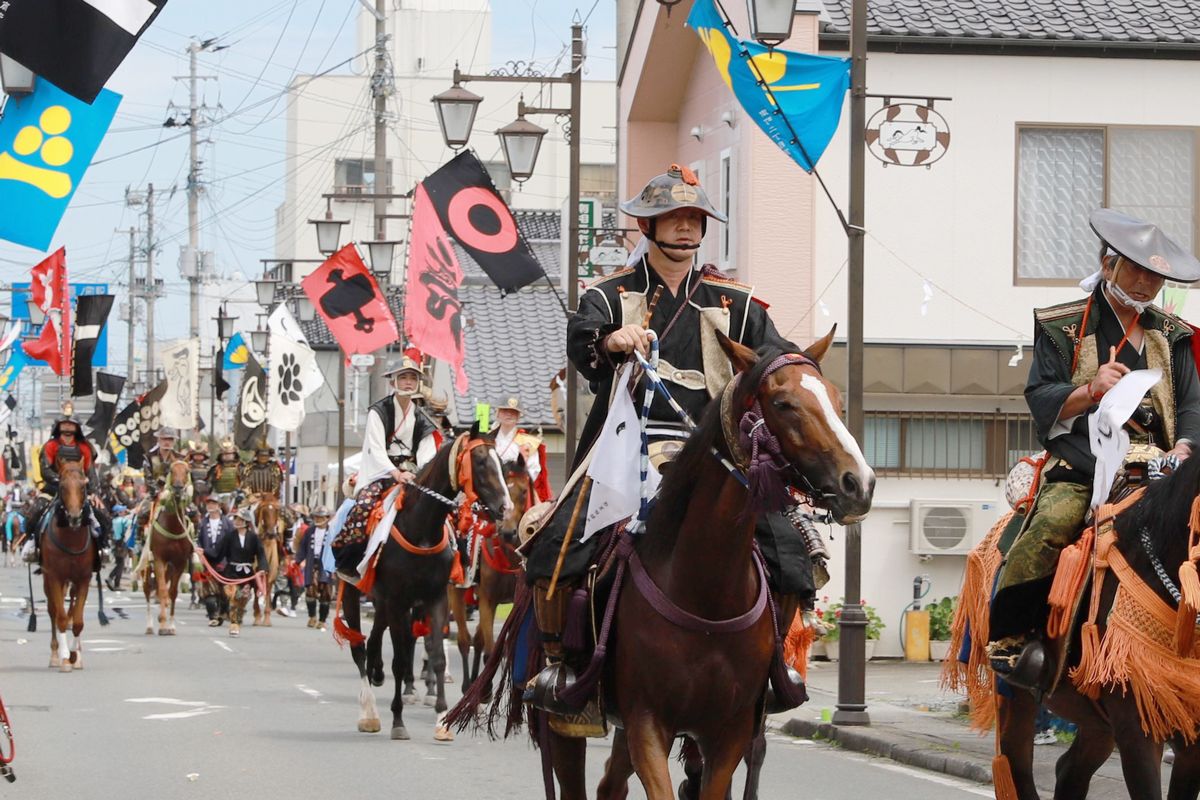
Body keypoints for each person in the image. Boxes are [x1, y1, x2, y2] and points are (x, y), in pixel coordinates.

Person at [521, 164, 813, 699]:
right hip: (625, 447)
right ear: (646, 226)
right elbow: (582, 337)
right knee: (557, 544)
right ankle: (559, 660)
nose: (685, 228)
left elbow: (773, 356)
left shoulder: (738, 302)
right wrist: (611, 341)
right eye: (671, 217)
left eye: (694, 218)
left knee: (793, 547)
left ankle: (774, 663)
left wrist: (798, 370)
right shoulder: (609, 295)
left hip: (717, 453)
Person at [987, 208, 1200, 689]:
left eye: (1157, 275)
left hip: (1162, 466)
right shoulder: (1063, 325)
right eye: (1139, 269)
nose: (1148, 283)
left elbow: (1191, 404)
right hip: (1084, 461)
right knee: (1050, 526)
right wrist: (1090, 391)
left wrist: (1186, 447)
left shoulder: (1173, 334)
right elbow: (1039, 393)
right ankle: (1013, 636)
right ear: (1109, 265)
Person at [331, 355, 437, 580]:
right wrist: (396, 472)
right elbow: (376, 449)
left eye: (412, 378)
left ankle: (452, 566)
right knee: (363, 508)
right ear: (393, 382)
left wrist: (418, 474)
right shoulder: (378, 411)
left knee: (444, 513)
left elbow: (428, 453)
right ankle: (350, 562)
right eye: (403, 377)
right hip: (383, 473)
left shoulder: (422, 417)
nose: (408, 382)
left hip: (413, 475)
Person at [23, 417, 103, 565]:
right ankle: (32, 545)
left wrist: (95, 493)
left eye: (71, 423)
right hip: (53, 488)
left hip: (79, 491)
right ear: (58, 426)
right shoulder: (51, 445)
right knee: (33, 513)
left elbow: (91, 472)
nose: (67, 426)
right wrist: (61, 481)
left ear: (76, 427)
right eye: (64, 423)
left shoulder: (85, 447)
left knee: (103, 515)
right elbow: (45, 469)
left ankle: (101, 548)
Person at [205, 508, 267, 637]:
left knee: (242, 598)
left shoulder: (254, 538)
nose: (236, 521)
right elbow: (218, 552)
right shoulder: (229, 536)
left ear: (246, 522)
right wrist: (203, 552)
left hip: (247, 574)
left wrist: (262, 567)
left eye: (240, 519)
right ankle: (234, 624)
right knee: (233, 596)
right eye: (236, 519)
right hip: (231, 573)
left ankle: (237, 620)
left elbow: (261, 555)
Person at [492, 396, 552, 503]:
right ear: (497, 413)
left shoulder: (527, 442)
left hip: (518, 489)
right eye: (505, 410)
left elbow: (534, 469)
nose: (509, 414)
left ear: (519, 417)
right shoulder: (487, 439)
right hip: (491, 487)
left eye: (513, 412)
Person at [293, 505, 334, 630]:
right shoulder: (310, 531)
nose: (318, 519)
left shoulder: (332, 531)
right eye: (316, 517)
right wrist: (298, 560)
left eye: (321, 517)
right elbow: (303, 547)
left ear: (327, 518)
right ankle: (312, 616)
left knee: (326, 592)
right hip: (312, 562)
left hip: (326, 565)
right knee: (310, 591)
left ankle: (322, 619)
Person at [196, 496, 234, 626]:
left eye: (213, 503)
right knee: (208, 591)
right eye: (208, 503)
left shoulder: (227, 523)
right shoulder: (202, 523)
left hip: (223, 561)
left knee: (224, 592)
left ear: (219, 506)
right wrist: (199, 550)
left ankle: (223, 612)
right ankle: (213, 616)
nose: (210, 505)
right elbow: (199, 540)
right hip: (207, 561)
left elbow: (231, 541)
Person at [207, 439, 244, 509]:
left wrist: (240, 492)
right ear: (220, 455)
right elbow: (209, 483)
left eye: (230, 454)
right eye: (225, 454)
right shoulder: (215, 468)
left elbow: (245, 482)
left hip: (235, 496)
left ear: (234, 455)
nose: (227, 456)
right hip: (217, 496)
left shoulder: (241, 467)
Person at [144, 428, 181, 493]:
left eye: (170, 439)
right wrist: (157, 491)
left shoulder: (179, 458)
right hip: (153, 492)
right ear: (158, 439)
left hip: (174, 492)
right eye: (164, 439)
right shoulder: (149, 456)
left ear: (174, 441)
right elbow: (147, 478)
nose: (167, 442)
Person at [106, 505, 130, 590]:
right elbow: (132, 523)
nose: (124, 512)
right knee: (121, 564)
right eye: (123, 511)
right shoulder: (122, 521)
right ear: (119, 513)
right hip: (121, 544)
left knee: (119, 563)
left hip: (115, 544)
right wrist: (131, 513)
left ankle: (113, 580)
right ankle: (114, 581)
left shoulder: (114, 520)